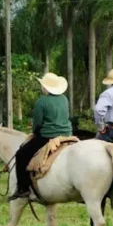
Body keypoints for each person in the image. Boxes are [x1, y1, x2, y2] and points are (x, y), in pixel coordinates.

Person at [8, 72, 72, 201]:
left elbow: (38, 123)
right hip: (67, 134)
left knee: (21, 155)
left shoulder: (41, 102)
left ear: (45, 87)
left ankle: (23, 189)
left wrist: (35, 132)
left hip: (48, 136)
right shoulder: (64, 99)